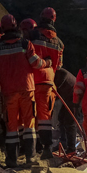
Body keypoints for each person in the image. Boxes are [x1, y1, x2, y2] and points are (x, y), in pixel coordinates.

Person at [0, 14, 49, 167]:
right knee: (29, 123)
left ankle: (11, 160)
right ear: (16, 26)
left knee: (11, 127)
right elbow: (35, 63)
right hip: (26, 89)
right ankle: (30, 157)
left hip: (8, 91)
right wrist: (47, 63)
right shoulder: (25, 43)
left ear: (2, 29)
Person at [31, 8, 64, 159]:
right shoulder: (59, 43)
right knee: (45, 117)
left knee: (29, 115)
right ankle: (46, 148)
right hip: (49, 82)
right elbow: (58, 66)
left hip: (32, 80)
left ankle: (33, 149)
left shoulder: (33, 35)